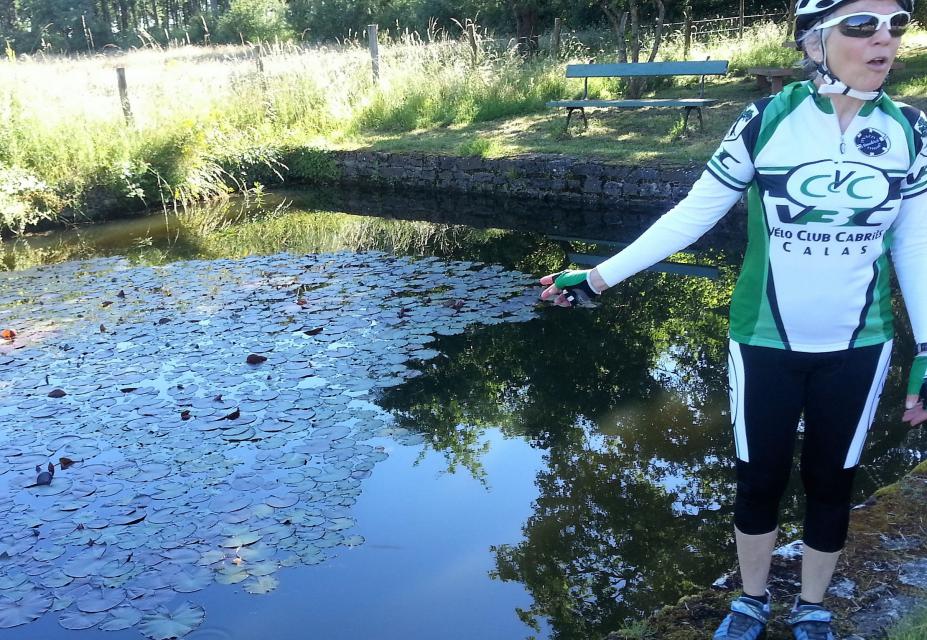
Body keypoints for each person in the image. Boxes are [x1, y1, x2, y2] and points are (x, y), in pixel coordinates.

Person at [539, 0, 927, 638]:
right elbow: (693, 215)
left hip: (863, 342)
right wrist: (599, 276)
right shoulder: (765, 120)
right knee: (759, 478)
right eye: (862, 25)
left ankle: (813, 607)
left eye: (896, 25)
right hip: (763, 339)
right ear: (814, 43)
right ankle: (750, 600)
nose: (884, 39)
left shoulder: (910, 128)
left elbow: (913, 242)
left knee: (832, 481)